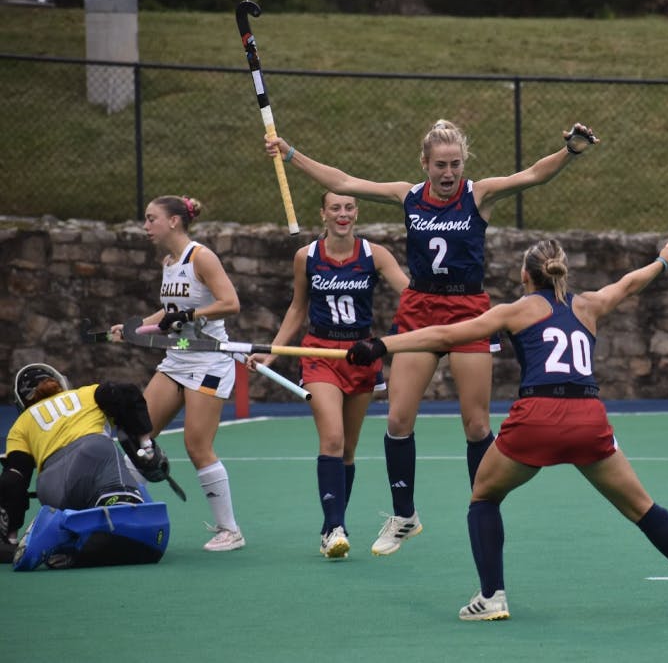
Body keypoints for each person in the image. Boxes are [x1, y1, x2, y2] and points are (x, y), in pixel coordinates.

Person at [346, 240, 668, 620]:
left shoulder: (515, 311)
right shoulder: (590, 305)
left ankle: (491, 597)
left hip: (536, 417)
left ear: (525, 275)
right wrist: (664, 259)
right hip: (587, 417)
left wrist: (382, 345)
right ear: (562, 273)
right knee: (643, 508)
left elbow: (446, 334)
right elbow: (630, 283)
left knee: (484, 496)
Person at [266, 119, 599, 556]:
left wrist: (570, 152)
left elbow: (533, 175)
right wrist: (291, 155)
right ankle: (404, 515)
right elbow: (344, 180)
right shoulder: (407, 196)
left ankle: (484, 504)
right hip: (420, 309)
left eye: (455, 164)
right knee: (398, 420)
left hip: (468, 312)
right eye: (440, 165)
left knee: (477, 423)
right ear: (425, 163)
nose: (448, 173)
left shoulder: (478, 194)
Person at [247, 191, 409, 559]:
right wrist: (272, 354)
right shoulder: (306, 257)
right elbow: (296, 308)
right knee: (332, 438)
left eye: (349, 207)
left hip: (362, 355)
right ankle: (334, 528)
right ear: (322, 213)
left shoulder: (374, 255)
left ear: (357, 212)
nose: (343, 214)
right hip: (319, 355)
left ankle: (332, 522)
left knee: (348, 449)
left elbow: (411, 294)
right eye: (335, 208)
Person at [110, 195, 246, 551]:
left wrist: (190, 316)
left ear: (173, 221)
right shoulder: (169, 262)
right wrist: (133, 328)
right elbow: (169, 310)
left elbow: (230, 303)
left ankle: (230, 530)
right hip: (177, 359)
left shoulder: (201, 256)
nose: (145, 226)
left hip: (209, 361)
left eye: (151, 218)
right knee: (136, 436)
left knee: (196, 445)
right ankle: (125, 515)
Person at [1, 363, 172, 570]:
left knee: (93, 518)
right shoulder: (86, 393)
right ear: (61, 383)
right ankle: (118, 502)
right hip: (92, 456)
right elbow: (128, 394)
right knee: (125, 498)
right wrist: (146, 445)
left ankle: (65, 538)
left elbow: (13, 481)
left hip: (51, 489)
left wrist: (9, 537)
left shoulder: (19, 426)